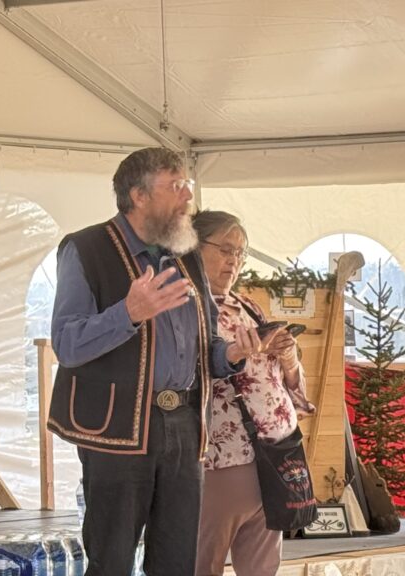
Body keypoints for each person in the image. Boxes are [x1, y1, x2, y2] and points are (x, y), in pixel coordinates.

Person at [48, 148, 273, 576]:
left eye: (186, 185)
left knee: (177, 561)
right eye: (175, 186)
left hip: (185, 426)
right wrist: (128, 312)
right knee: (112, 559)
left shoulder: (186, 255)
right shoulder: (86, 249)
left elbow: (204, 344)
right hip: (117, 429)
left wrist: (233, 354)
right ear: (139, 196)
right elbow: (67, 343)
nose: (188, 196)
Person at [192, 210, 314, 576]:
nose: (234, 261)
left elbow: (286, 384)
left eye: (241, 253)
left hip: (277, 453)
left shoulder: (249, 307)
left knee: (263, 567)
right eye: (225, 250)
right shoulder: (188, 310)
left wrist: (290, 359)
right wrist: (234, 354)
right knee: (203, 562)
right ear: (193, 249)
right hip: (224, 459)